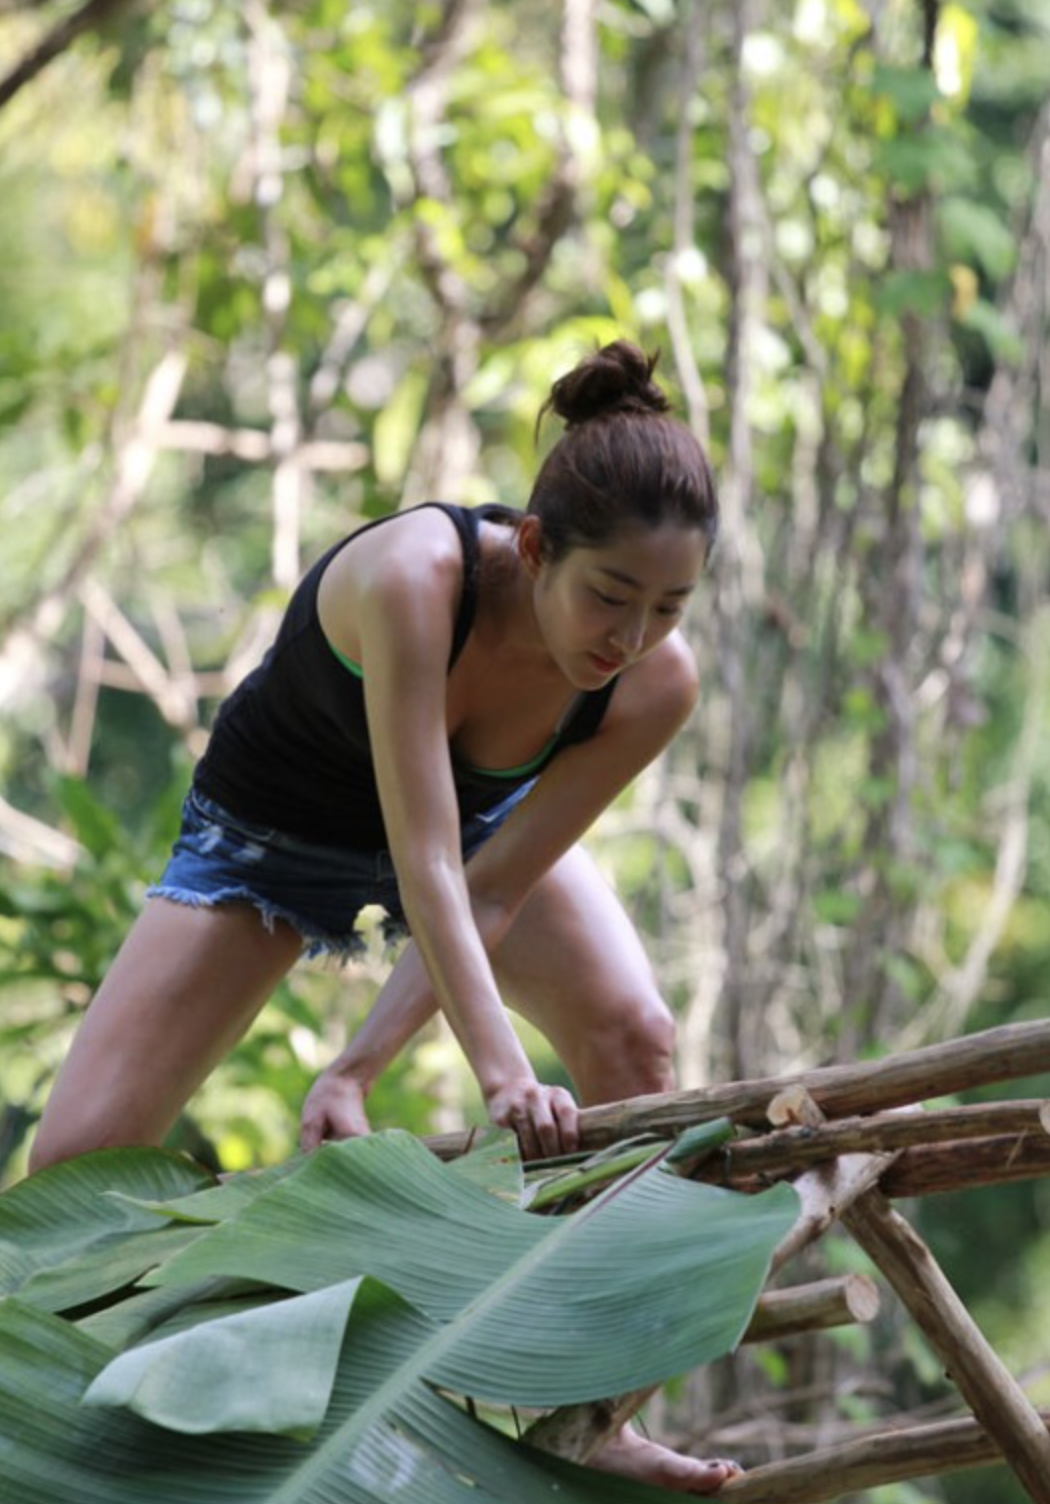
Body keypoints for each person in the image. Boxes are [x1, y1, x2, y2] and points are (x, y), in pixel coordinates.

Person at [30, 339, 741, 1494]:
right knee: (76, 1162)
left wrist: (355, 1069)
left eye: (669, 606)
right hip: (272, 832)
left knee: (636, 1035)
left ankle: (596, 1407)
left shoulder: (655, 680)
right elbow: (423, 863)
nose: (630, 636)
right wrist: (505, 1071)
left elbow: (492, 882)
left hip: (472, 838)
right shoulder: (420, 576)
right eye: (610, 595)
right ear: (533, 544)